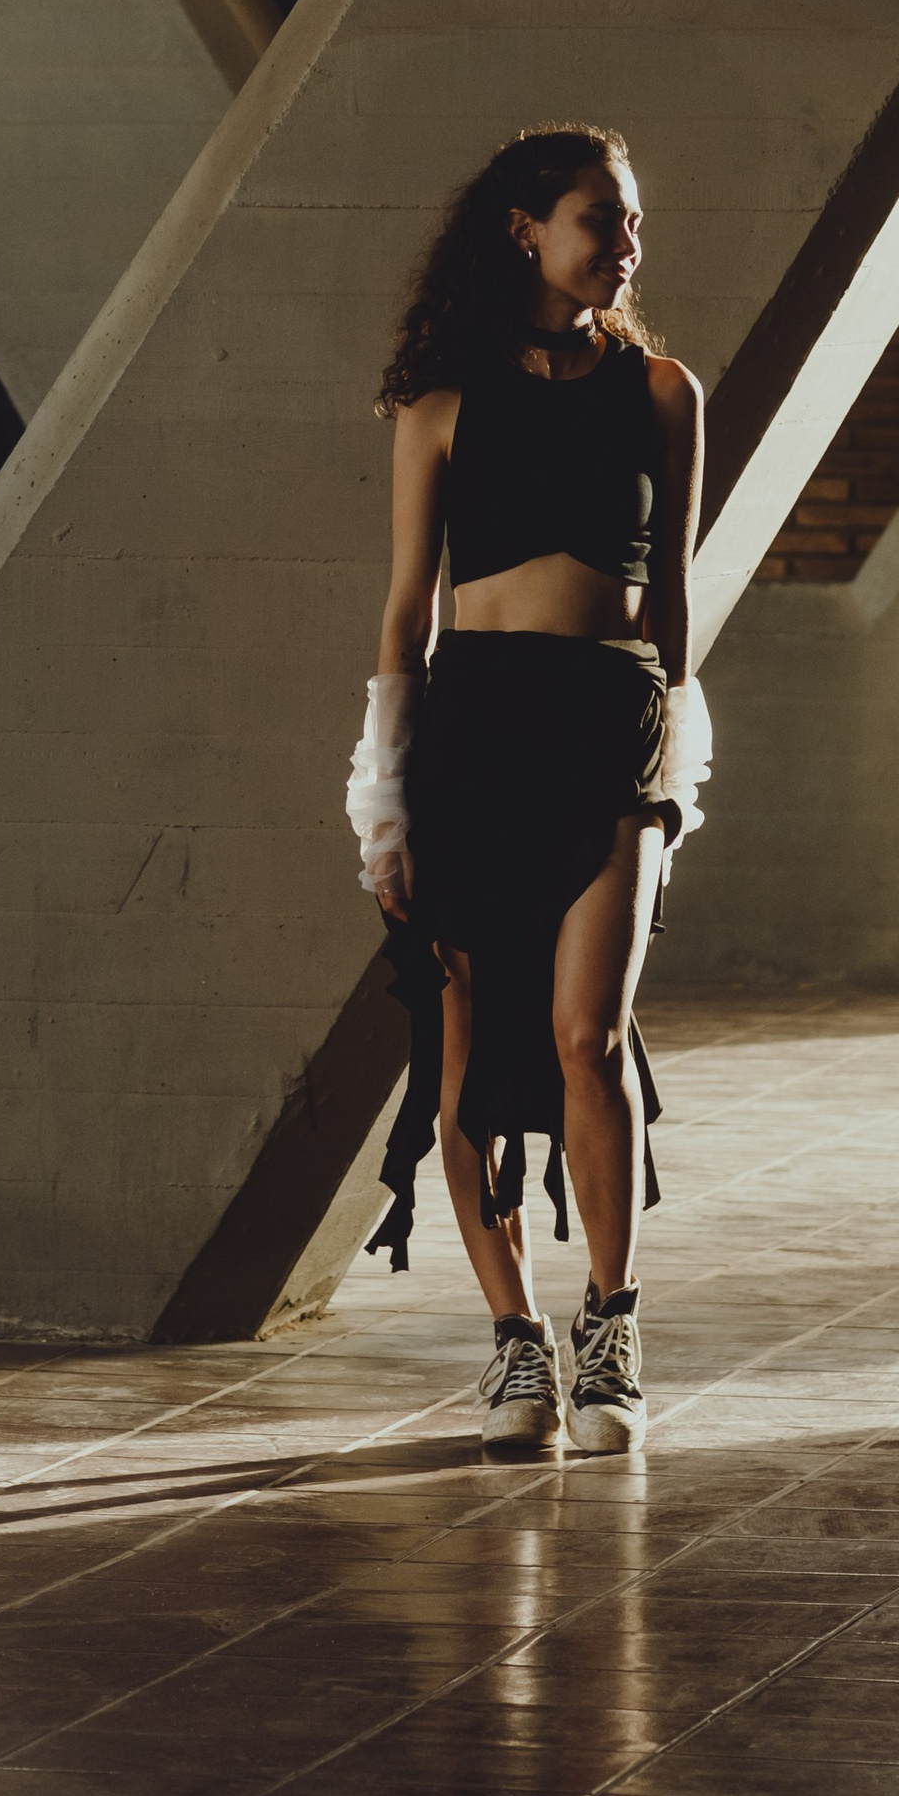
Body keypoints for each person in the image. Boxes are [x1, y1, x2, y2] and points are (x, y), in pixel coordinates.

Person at [345, 123, 705, 1460]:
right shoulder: (439, 407)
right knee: (465, 1063)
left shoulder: (665, 391)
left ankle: (611, 1329)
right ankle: (513, 1344)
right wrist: (384, 800)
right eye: (601, 220)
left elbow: (673, 598)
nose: (625, 245)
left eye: (632, 226)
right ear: (524, 230)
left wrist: (673, 754)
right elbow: (404, 619)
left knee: (584, 1036)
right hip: (475, 731)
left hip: (611, 720)